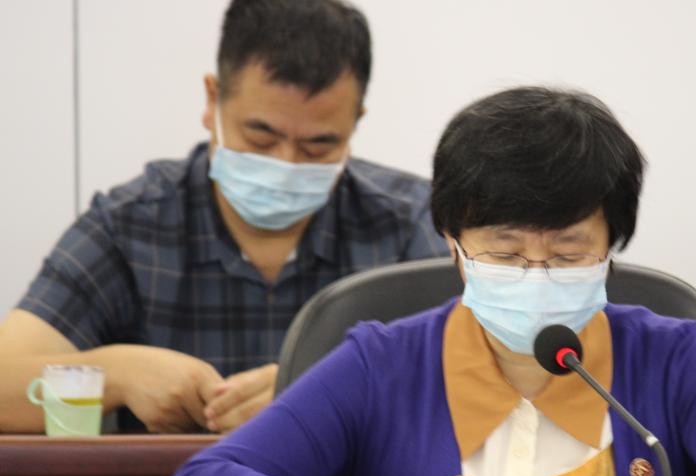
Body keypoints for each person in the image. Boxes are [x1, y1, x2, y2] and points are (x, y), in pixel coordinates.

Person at [157, 86, 696, 476]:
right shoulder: (382, 364)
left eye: (568, 252)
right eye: (505, 252)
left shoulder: (670, 357)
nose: (536, 273)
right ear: (453, 245)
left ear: (611, 249)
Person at [0, 0, 444, 434]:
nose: (286, 163)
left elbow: (479, 381)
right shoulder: (129, 227)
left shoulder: (411, 226)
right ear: (212, 100)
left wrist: (324, 392)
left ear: (355, 121)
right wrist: (116, 373)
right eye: (260, 137)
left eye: (318, 146)